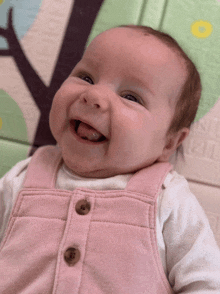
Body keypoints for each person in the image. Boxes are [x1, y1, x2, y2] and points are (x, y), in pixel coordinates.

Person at [0, 25, 220, 294]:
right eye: (86, 77)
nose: (93, 96)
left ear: (169, 143)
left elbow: (207, 283)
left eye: (130, 97)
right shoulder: (22, 179)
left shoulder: (168, 199)